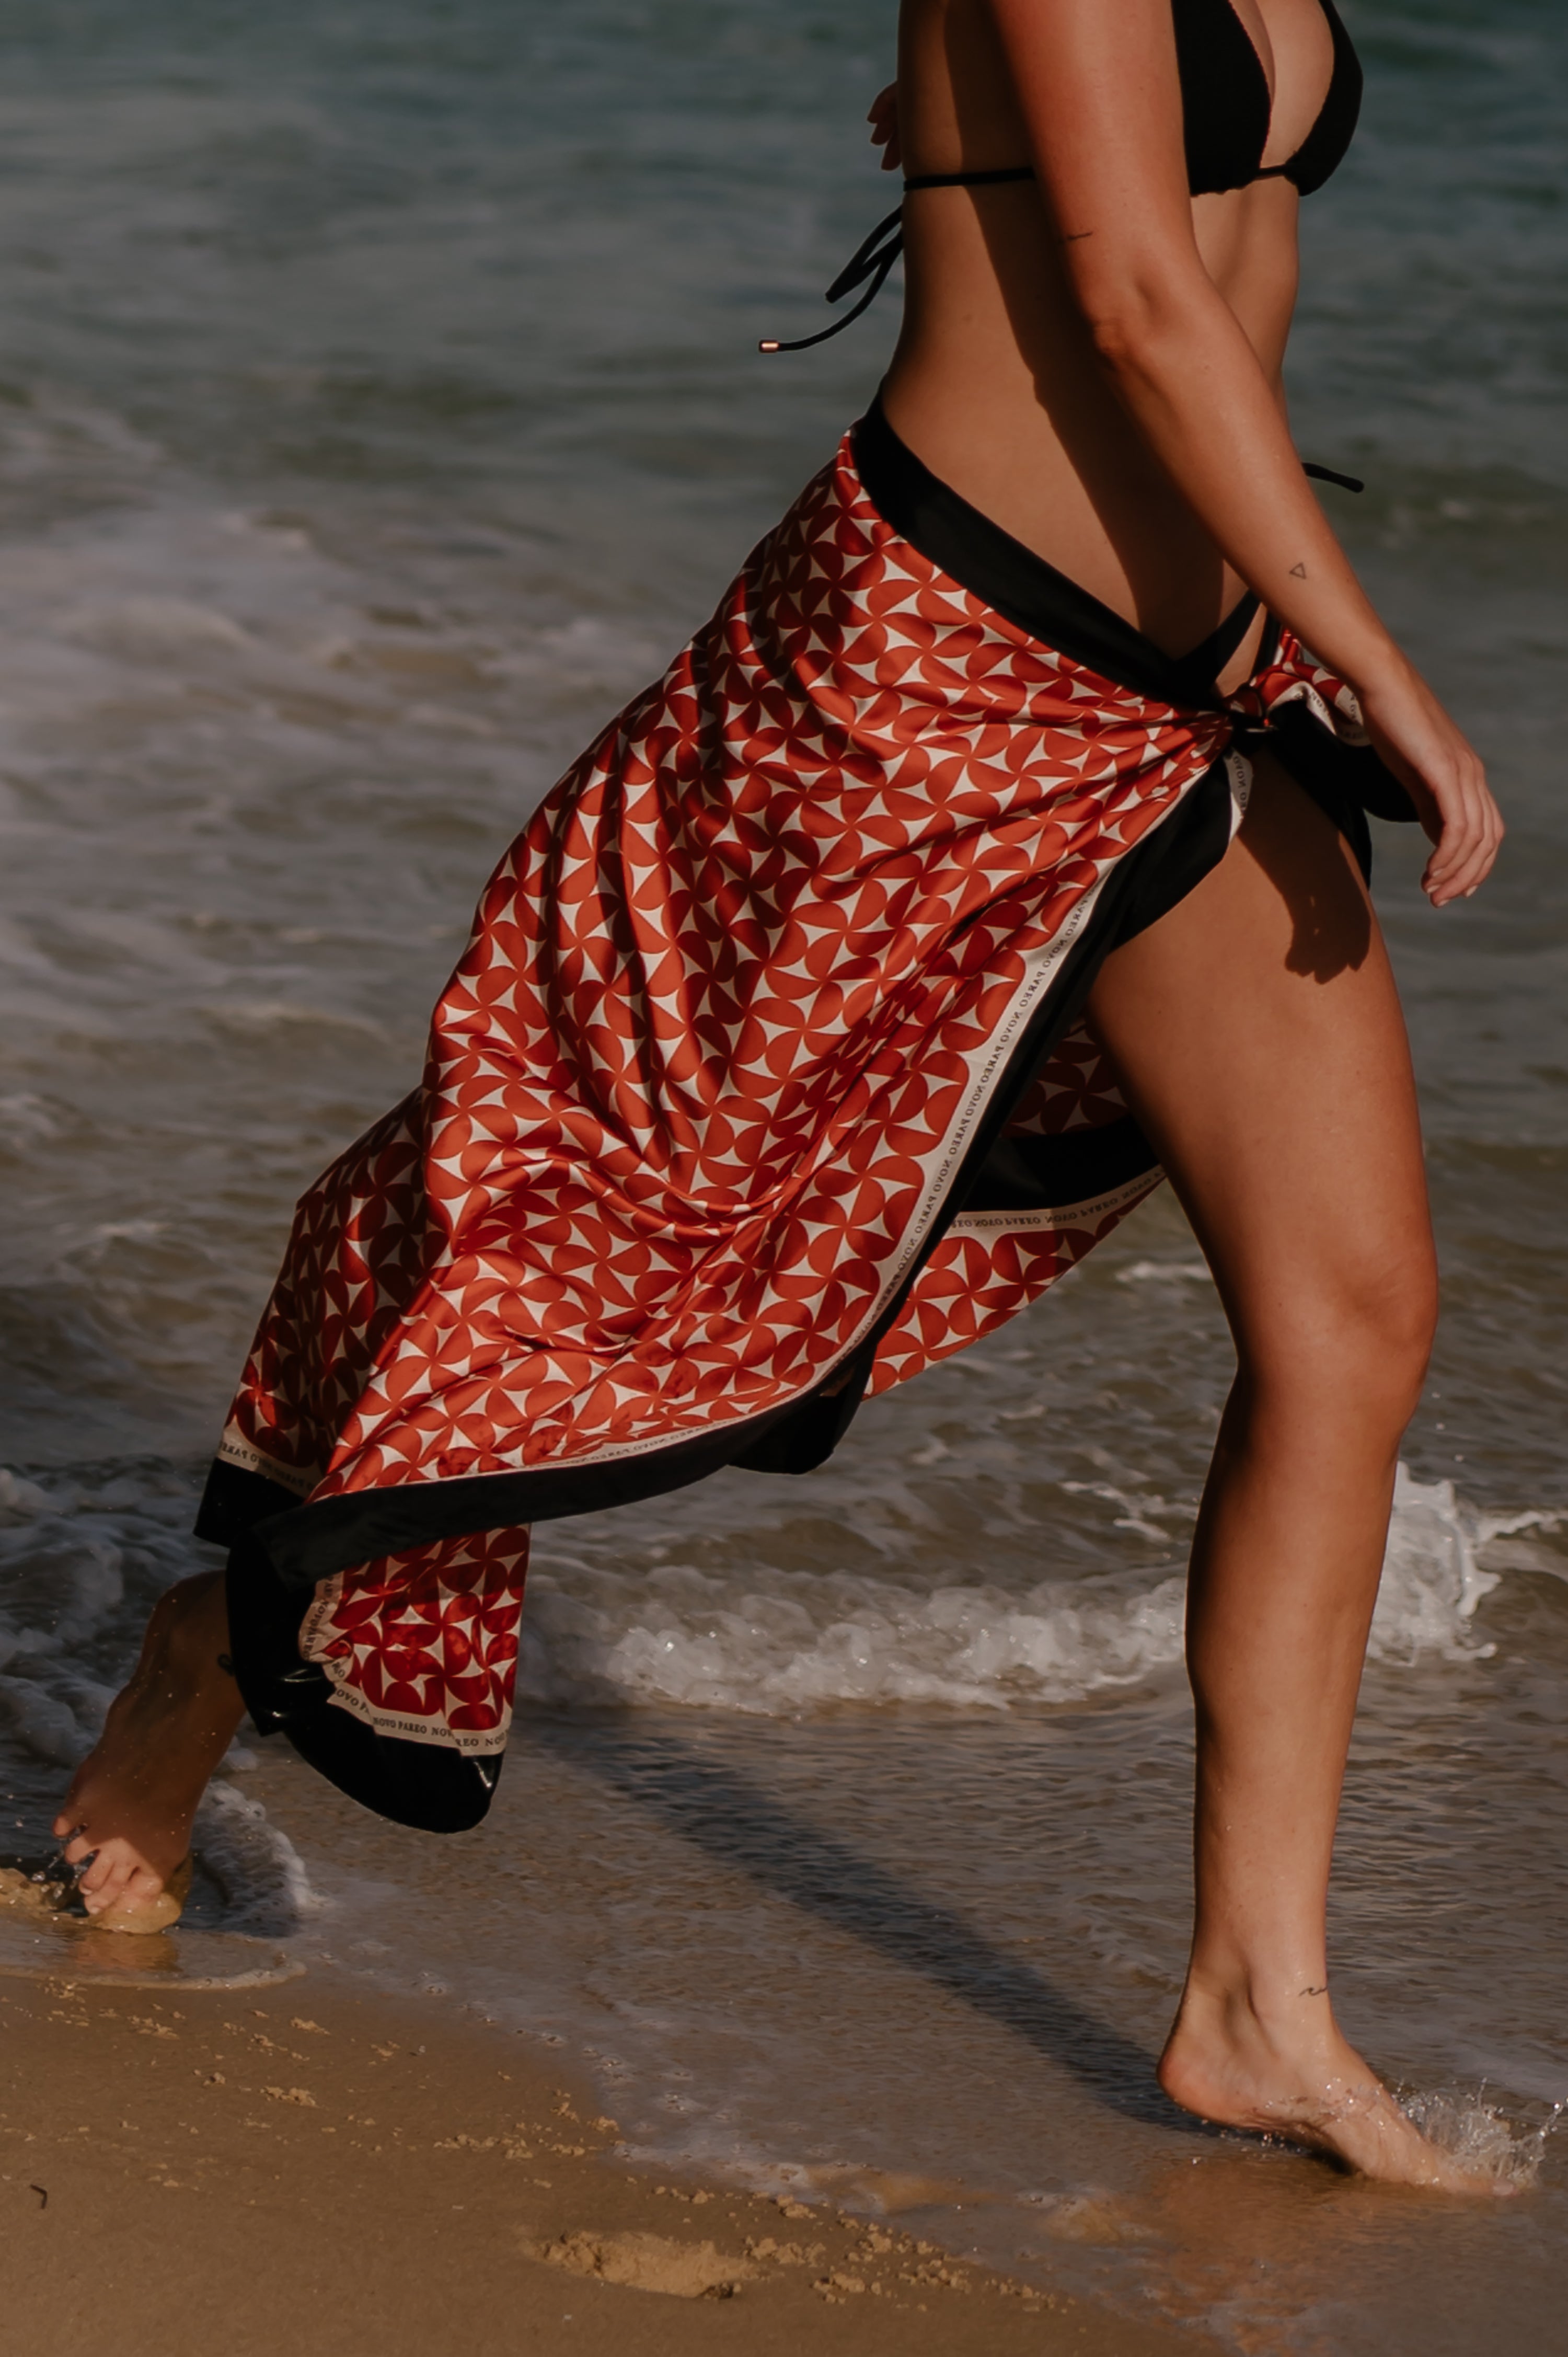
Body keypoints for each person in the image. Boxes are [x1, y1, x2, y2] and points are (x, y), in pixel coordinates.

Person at [56, 0, 1505, 2186]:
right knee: (631, 1258)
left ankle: (1254, 2012)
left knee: (1355, 1318)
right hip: (933, 667)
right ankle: (209, 1648)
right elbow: (1121, 294)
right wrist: (1384, 657)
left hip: (1186, 703)